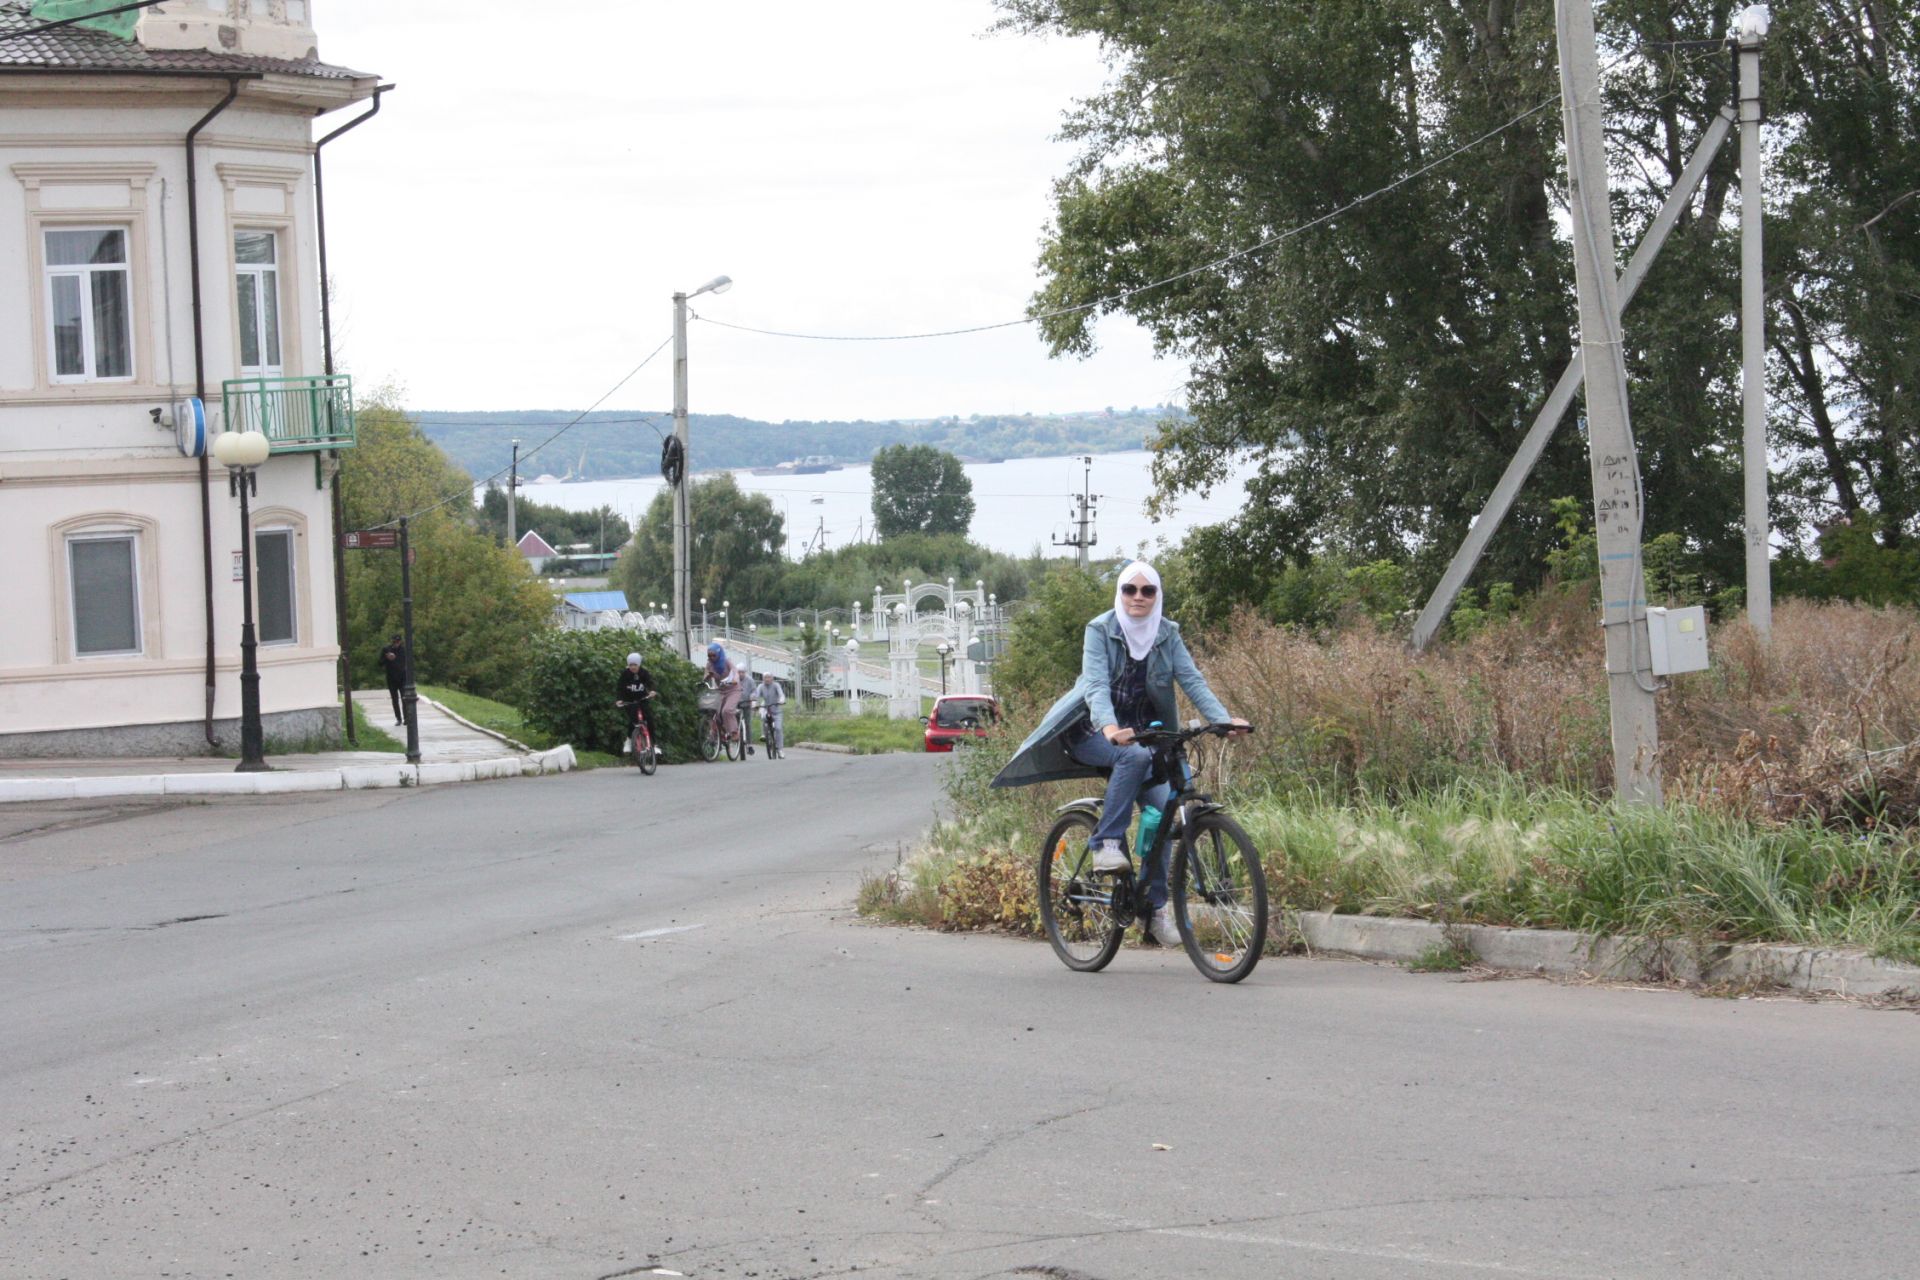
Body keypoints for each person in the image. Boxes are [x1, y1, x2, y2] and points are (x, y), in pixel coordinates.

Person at [990, 560, 1247, 946]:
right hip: (1093, 730)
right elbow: (1094, 684)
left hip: (1144, 733)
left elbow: (1192, 679)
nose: (1138, 597)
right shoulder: (1100, 630)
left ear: (1157, 596)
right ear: (1120, 593)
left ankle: (1153, 910)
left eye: (1148, 591)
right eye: (1130, 589)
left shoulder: (1167, 634)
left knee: (1165, 815)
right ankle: (1105, 844)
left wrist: (1222, 720)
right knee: (1135, 758)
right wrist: (1109, 727)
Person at [616, 650, 657, 748]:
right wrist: (619, 699)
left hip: (642, 699)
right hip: (630, 700)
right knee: (633, 719)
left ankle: (654, 744)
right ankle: (629, 740)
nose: (633, 667)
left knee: (649, 720)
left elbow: (650, 682)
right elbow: (620, 687)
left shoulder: (644, 673)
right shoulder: (625, 674)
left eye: (635, 665)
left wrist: (652, 691)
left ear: (639, 664)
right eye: (630, 665)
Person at [704, 641, 742, 742]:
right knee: (714, 711)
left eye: (713, 655)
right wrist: (707, 677)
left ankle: (734, 732)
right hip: (720, 690)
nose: (711, 657)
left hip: (733, 690)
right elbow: (705, 677)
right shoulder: (709, 664)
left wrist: (735, 680)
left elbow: (735, 672)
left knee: (727, 710)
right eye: (709, 655)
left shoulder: (726, 661)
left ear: (719, 653)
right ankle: (717, 732)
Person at [754, 670, 786, 756]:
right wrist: (755, 704)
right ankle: (764, 734)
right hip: (766, 707)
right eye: (765, 678)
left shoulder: (776, 685)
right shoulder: (760, 686)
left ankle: (780, 750)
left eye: (769, 677)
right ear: (763, 679)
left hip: (776, 709)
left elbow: (781, 694)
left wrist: (782, 700)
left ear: (772, 678)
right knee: (763, 717)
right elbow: (756, 696)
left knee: (778, 729)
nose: (767, 679)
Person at [378, 633, 408, 725]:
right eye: (395, 641)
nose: (396, 643)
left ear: (400, 641)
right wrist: (387, 658)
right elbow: (379, 663)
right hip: (391, 678)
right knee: (395, 699)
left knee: (404, 698)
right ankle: (398, 718)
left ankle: (406, 718)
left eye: (398, 641)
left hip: (402, 678)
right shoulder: (386, 650)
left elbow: (408, 662)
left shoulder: (404, 650)